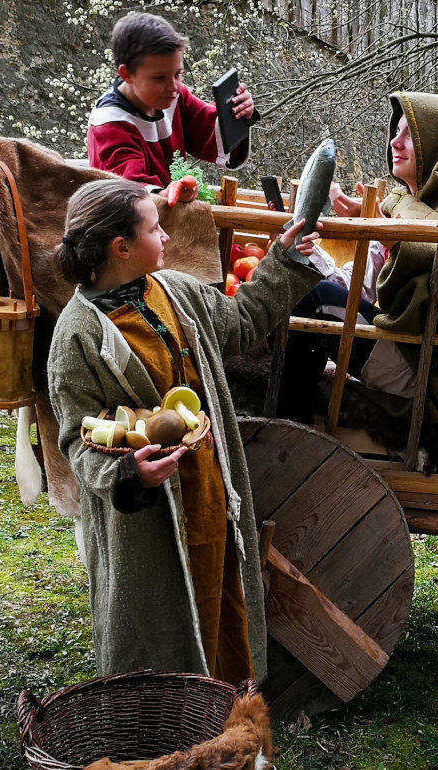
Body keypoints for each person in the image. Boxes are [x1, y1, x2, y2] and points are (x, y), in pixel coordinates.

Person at [47, 178, 322, 681]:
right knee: (160, 626)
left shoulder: (174, 291)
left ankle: (226, 722)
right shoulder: (77, 334)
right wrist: (129, 472)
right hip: (146, 521)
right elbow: (74, 439)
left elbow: (241, 320)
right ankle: (164, 734)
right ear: (122, 247)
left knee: (220, 598)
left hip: (209, 491)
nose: (167, 238)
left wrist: (284, 258)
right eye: (155, 229)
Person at [285, 91, 438, 472]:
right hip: (410, 346)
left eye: (409, 135)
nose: (395, 143)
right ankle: (291, 425)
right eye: (396, 132)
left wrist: (401, 227)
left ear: (437, 141)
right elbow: (358, 288)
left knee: (313, 299)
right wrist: (315, 258)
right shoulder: (409, 203)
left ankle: (288, 432)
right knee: (311, 293)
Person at [86, 12, 257, 201]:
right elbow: (128, 190)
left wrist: (237, 111)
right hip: (128, 225)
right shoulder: (110, 124)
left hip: (166, 217)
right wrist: (165, 194)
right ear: (126, 74)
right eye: (159, 78)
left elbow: (207, 128)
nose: (174, 87)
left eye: (177, 74)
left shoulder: (175, 96)